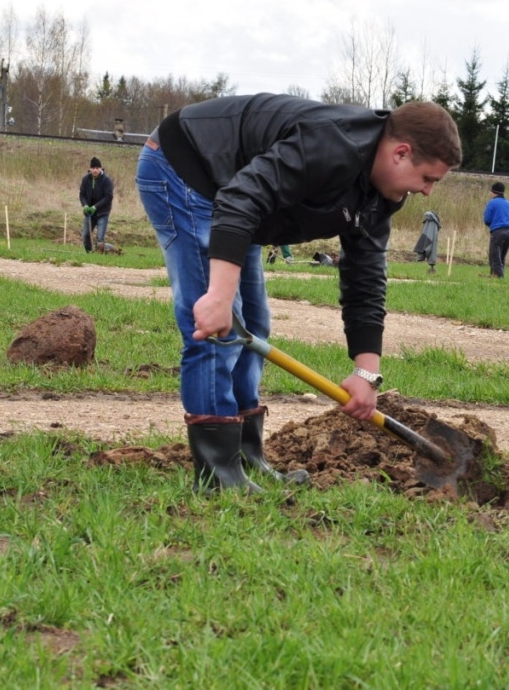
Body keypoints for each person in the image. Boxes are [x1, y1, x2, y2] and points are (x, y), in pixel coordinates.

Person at [136, 93, 461, 493]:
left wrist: (366, 372)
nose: (427, 192)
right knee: (220, 330)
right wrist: (218, 295)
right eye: (427, 178)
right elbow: (240, 198)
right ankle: (218, 474)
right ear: (401, 153)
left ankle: (246, 457)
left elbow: (365, 275)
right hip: (189, 169)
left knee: (254, 325)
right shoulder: (333, 145)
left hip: (244, 203)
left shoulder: (383, 195)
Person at [79, 157, 115, 253]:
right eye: (93, 168)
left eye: (97, 168)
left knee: (100, 239)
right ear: (90, 169)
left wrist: (96, 207)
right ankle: (89, 254)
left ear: (101, 169)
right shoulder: (85, 179)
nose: (95, 170)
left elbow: (108, 197)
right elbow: (82, 195)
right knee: (85, 235)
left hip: (102, 212)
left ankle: (108, 249)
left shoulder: (106, 181)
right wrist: (85, 206)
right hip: (89, 213)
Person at [483, 181, 509, 277]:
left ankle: (498, 276)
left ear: (493, 192)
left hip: (498, 232)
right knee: (502, 257)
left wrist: (491, 224)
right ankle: (494, 275)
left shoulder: (492, 203)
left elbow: (487, 219)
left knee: (494, 256)